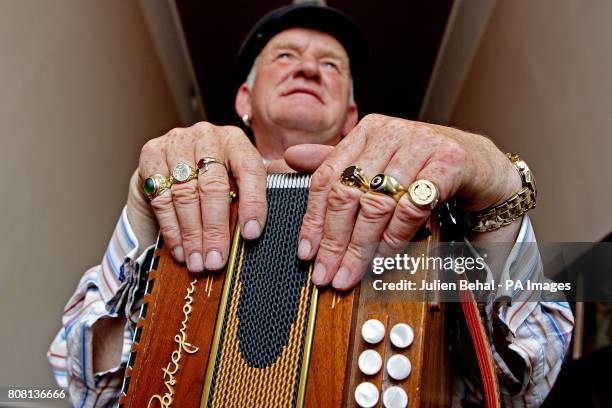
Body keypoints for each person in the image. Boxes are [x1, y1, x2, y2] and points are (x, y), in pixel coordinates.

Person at [48, 4, 573, 407]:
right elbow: (79, 388)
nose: (308, 69)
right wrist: (141, 213)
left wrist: (499, 182)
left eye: (330, 64)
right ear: (243, 100)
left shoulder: (420, 207)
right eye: (285, 57)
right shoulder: (170, 193)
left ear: (351, 115)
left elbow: (527, 379)